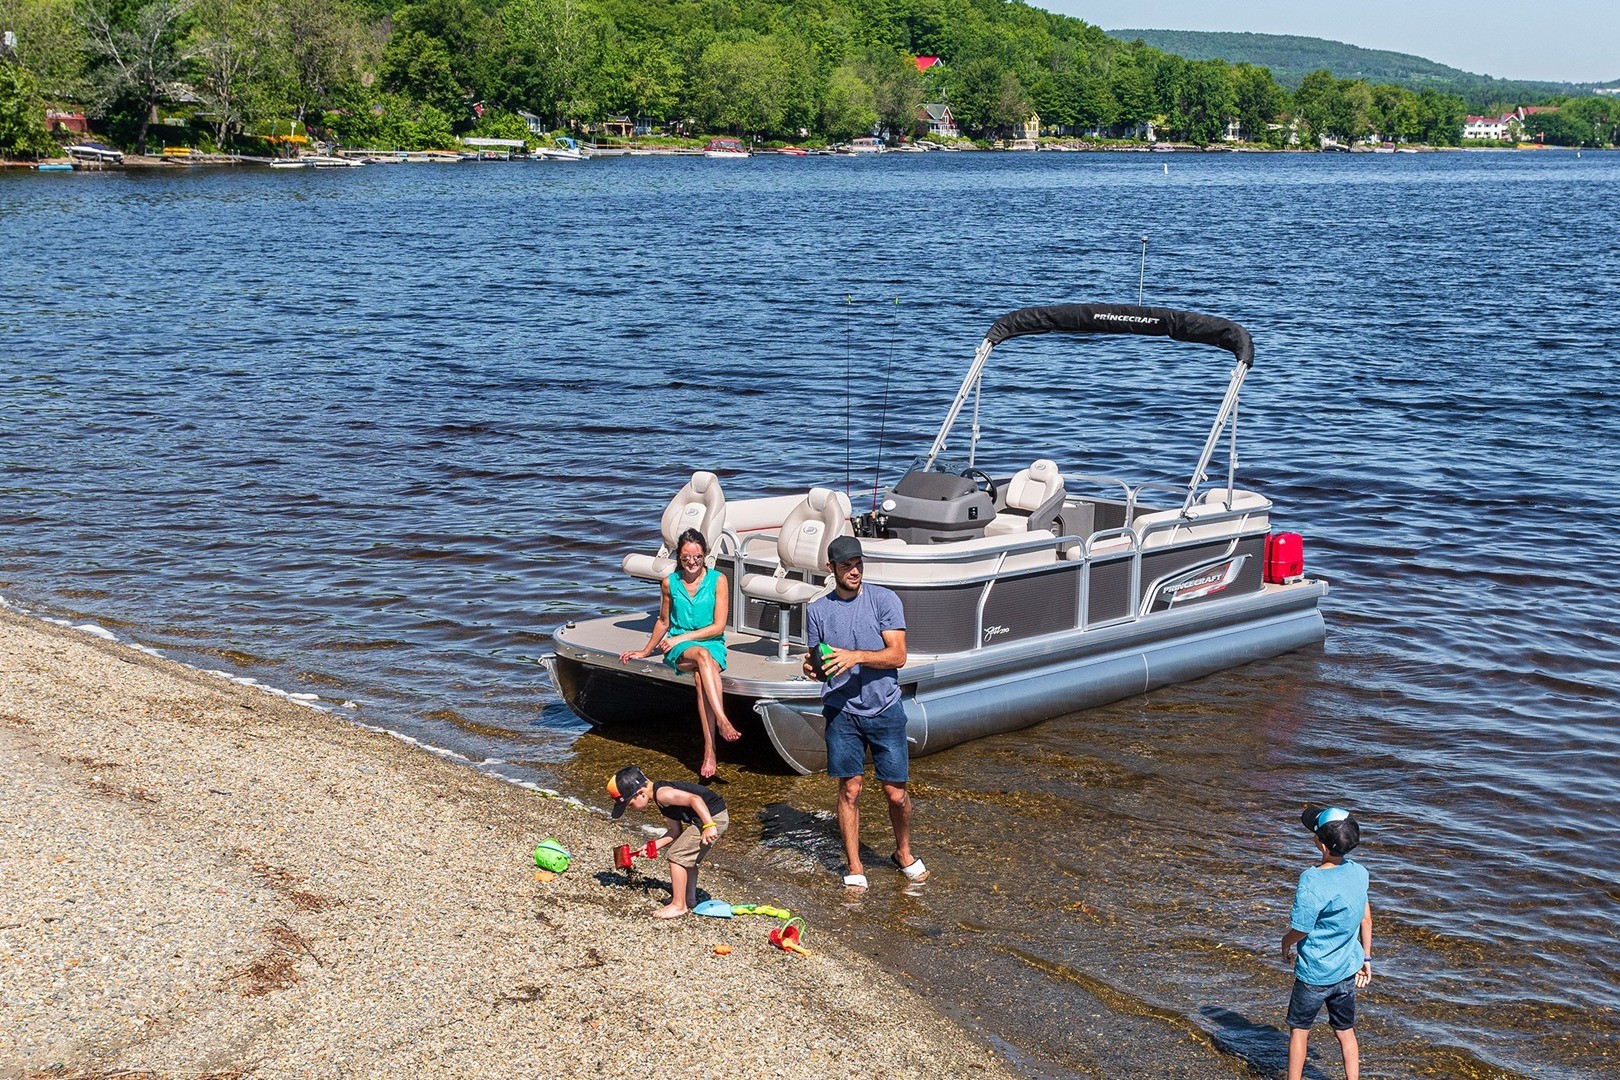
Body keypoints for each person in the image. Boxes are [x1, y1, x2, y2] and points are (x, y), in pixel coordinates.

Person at [802, 534, 924, 894]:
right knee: (850, 789)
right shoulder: (817, 610)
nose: (854, 571)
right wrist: (812, 670)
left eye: (858, 564)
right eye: (846, 566)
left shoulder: (884, 600)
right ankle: (855, 866)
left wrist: (856, 656)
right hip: (841, 710)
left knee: (895, 793)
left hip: (885, 707)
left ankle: (903, 852)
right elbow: (818, 661)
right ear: (831, 568)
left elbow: (898, 655)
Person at [618, 527, 739, 781]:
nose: (692, 562)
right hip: (680, 649)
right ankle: (722, 720)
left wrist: (681, 637)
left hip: (711, 642)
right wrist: (646, 651)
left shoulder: (718, 580)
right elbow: (663, 621)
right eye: (686, 558)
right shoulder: (669, 583)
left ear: (705, 555)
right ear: (679, 558)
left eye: (697, 557)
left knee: (701, 677)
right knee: (701, 657)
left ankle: (710, 749)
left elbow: (718, 626)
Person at [1281, 805, 1374, 1080]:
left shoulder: (1312, 879)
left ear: (1321, 845)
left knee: (1300, 1031)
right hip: (1346, 971)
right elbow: (1366, 919)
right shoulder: (1360, 873)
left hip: (1314, 974)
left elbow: (1301, 928)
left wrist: (1285, 943)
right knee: (1345, 1032)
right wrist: (1366, 959)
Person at [607, 765, 728, 919]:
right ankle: (689, 899)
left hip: (713, 818)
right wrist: (653, 845)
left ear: (640, 793)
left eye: (630, 804)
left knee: (676, 856)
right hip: (708, 818)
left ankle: (678, 906)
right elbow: (675, 830)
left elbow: (695, 799)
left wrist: (709, 825)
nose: (631, 808)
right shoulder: (661, 802)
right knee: (687, 859)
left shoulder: (663, 794)